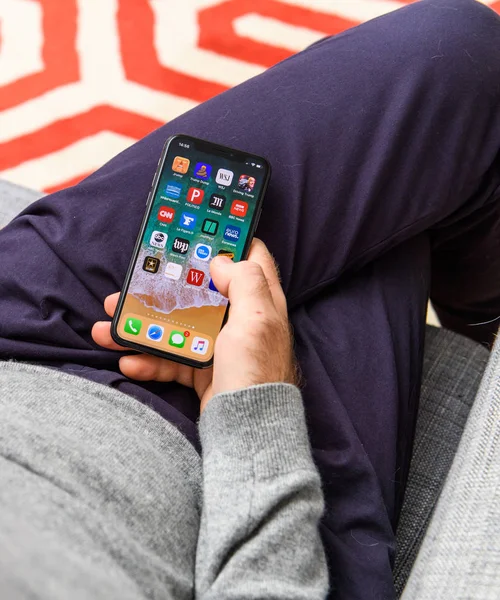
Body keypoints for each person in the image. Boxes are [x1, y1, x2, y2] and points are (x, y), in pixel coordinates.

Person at [1, 0, 500, 597]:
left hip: (21, 330)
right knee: (439, 136)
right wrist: (255, 409)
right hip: (223, 489)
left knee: (453, 55)